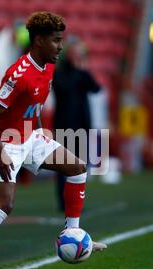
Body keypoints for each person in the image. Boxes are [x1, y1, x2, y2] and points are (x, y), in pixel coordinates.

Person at [0, 12, 107, 269]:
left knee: (77, 168)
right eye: (56, 41)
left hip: (30, 136)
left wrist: (39, 131)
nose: (60, 46)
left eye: (61, 41)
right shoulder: (18, 75)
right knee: (4, 204)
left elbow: (34, 106)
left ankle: (72, 232)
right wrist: (1, 151)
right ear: (38, 41)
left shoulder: (48, 66)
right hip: (4, 142)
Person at [53, 37, 101, 212]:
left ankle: (75, 203)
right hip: (64, 126)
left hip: (81, 126)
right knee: (63, 167)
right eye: (74, 53)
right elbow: (64, 88)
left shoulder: (81, 73)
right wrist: (77, 71)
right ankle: (63, 202)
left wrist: (83, 71)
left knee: (80, 167)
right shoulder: (60, 73)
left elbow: (96, 88)